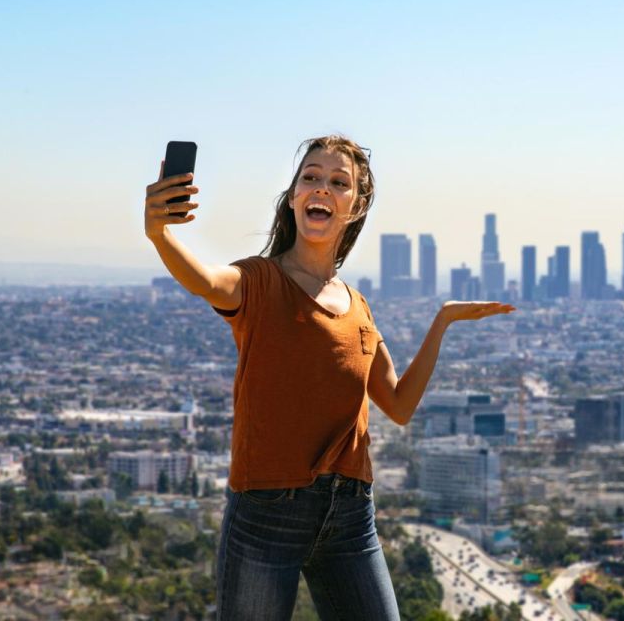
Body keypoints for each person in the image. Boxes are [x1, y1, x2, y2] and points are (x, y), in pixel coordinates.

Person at [144, 135, 515, 620]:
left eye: (339, 182)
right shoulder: (259, 281)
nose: (321, 187)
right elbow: (207, 281)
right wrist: (161, 235)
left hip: (351, 517)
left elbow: (399, 406)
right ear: (294, 196)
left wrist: (442, 321)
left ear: (355, 207)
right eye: (310, 177)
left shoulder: (358, 306)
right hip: (266, 514)